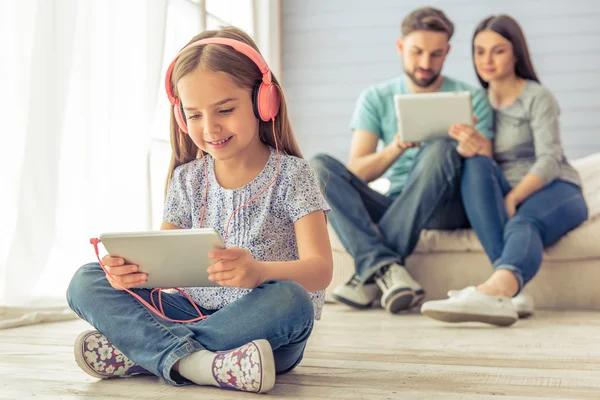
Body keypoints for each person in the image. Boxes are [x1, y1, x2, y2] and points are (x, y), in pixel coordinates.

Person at [66, 26, 333, 394]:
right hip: (191, 311)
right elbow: (161, 270)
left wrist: (258, 272)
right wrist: (128, 274)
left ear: (262, 101)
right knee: (86, 280)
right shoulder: (187, 180)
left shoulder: (294, 175)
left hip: (265, 330)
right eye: (194, 115)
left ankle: (148, 352)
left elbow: (320, 271)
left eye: (225, 109)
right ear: (181, 118)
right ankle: (199, 362)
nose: (210, 128)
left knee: (292, 300)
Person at [311, 7, 495, 314]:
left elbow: (487, 169)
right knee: (318, 167)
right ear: (400, 47)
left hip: (447, 207)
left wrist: (473, 146)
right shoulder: (376, 97)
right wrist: (395, 147)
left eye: (436, 54)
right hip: (397, 202)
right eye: (417, 52)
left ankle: (369, 271)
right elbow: (357, 172)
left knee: (440, 148)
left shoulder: (472, 98)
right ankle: (386, 270)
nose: (426, 63)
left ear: (447, 52)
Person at [421, 15, 588, 327]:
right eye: (479, 51)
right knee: (475, 162)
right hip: (503, 188)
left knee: (524, 221)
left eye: (497, 50)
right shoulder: (475, 103)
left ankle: (494, 291)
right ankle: (510, 294)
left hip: (556, 188)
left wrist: (511, 199)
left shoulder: (537, 97)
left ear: (516, 53)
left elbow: (549, 160)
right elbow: (482, 167)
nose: (486, 59)